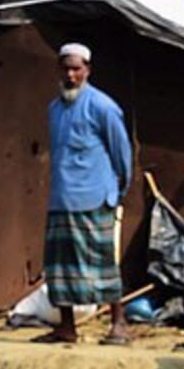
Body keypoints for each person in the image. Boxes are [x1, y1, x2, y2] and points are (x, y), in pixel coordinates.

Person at [33, 43, 132, 345]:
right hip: (62, 198)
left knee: (102, 264)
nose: (71, 74)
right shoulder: (54, 109)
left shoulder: (103, 107)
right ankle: (67, 327)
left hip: (94, 199)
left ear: (87, 70)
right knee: (59, 268)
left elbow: (121, 153)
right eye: (66, 68)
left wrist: (118, 191)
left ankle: (118, 324)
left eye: (77, 69)